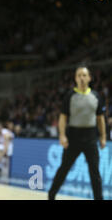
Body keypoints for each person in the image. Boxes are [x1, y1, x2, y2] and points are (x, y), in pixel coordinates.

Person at [48, 66, 106, 200]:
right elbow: (63, 118)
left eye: (84, 75)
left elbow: (100, 119)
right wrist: (62, 135)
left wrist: (103, 137)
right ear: (75, 78)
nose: (81, 78)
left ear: (90, 78)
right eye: (79, 75)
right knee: (64, 169)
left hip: (91, 137)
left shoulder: (96, 96)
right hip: (73, 137)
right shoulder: (69, 96)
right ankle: (51, 195)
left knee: (95, 172)